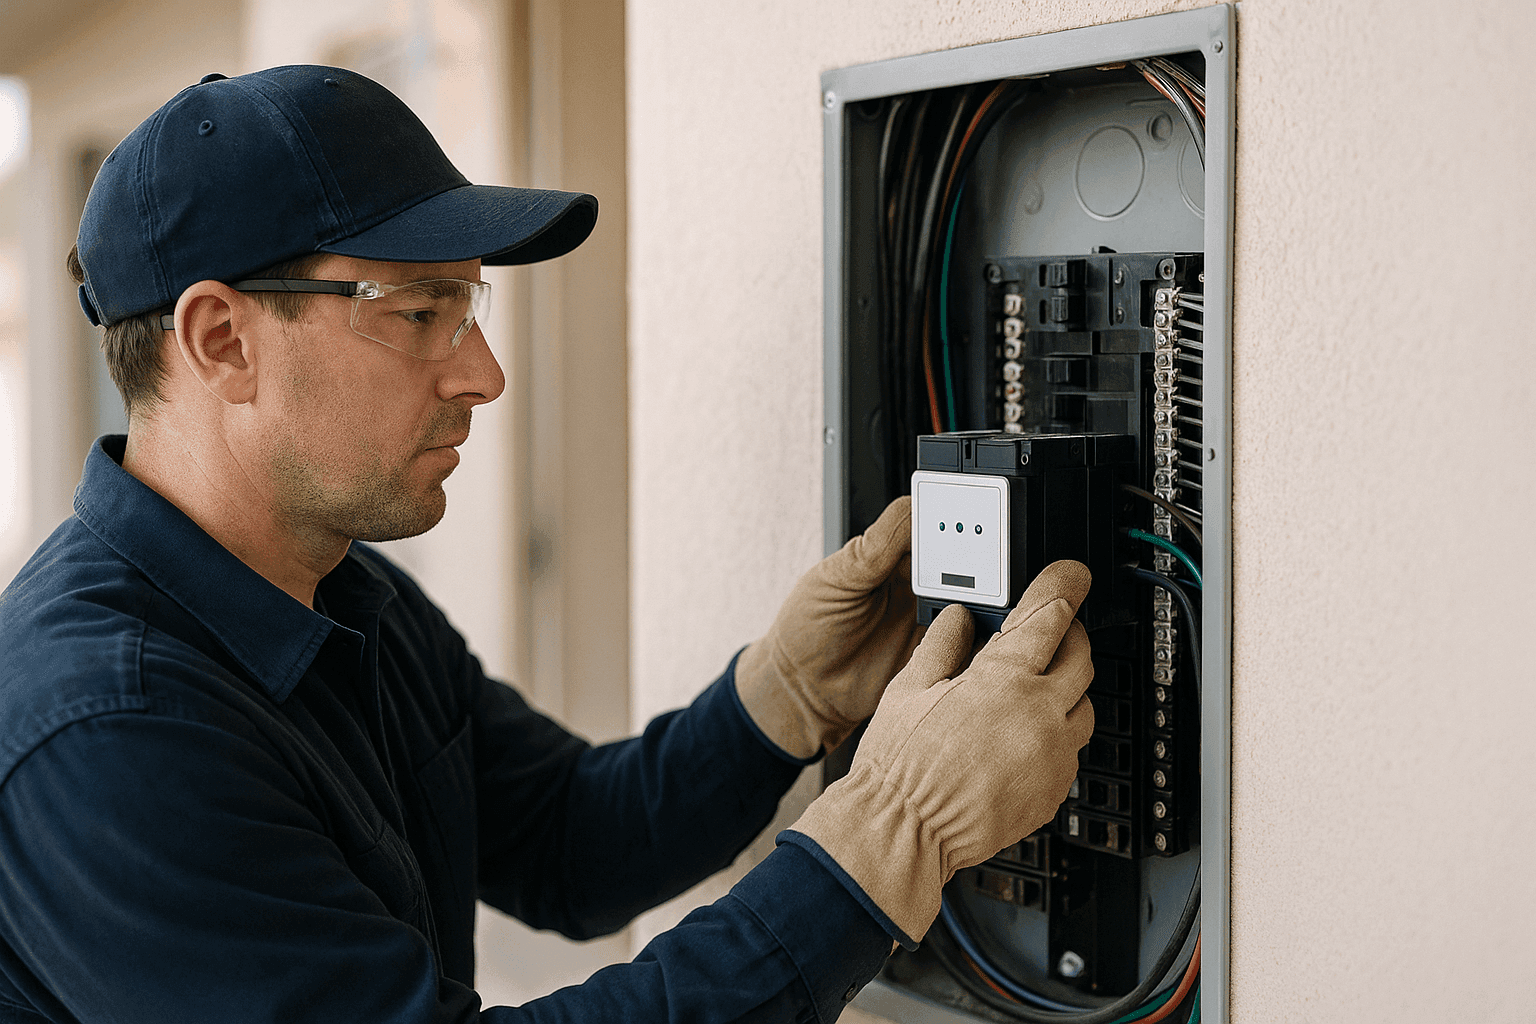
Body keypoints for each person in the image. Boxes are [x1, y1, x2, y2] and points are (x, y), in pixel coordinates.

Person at [0, 66, 1095, 1023]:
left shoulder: (335, 587)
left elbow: (571, 842)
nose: (483, 374)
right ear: (222, 340)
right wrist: (895, 827)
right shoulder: (106, 732)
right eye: (419, 312)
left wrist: (784, 692)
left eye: (468, 308)